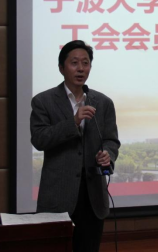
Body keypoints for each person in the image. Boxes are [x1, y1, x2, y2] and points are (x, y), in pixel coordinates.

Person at [30, 40, 120, 252]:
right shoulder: (43, 101)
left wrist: (107, 154)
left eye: (85, 63)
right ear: (61, 68)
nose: (81, 68)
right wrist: (73, 121)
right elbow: (39, 139)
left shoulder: (103, 102)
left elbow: (111, 140)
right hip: (58, 195)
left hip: (92, 196)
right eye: (74, 63)